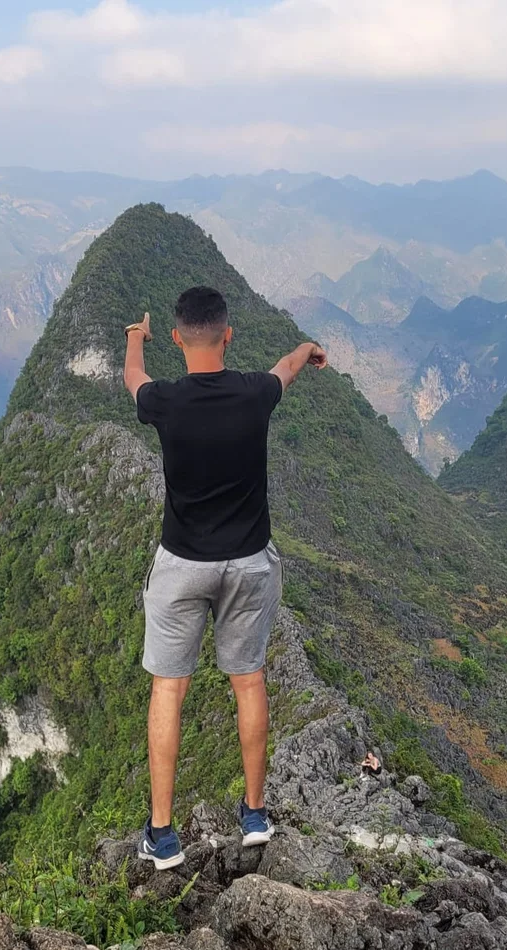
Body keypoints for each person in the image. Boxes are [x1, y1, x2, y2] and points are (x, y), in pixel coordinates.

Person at [123, 285, 328, 869]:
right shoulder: (253, 393)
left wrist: (135, 338)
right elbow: (284, 369)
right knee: (249, 681)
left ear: (177, 338)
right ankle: (256, 814)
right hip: (248, 564)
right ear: (228, 334)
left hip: (183, 562)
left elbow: (132, 377)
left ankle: (162, 833)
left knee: (169, 687)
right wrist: (306, 348)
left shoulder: (164, 401)